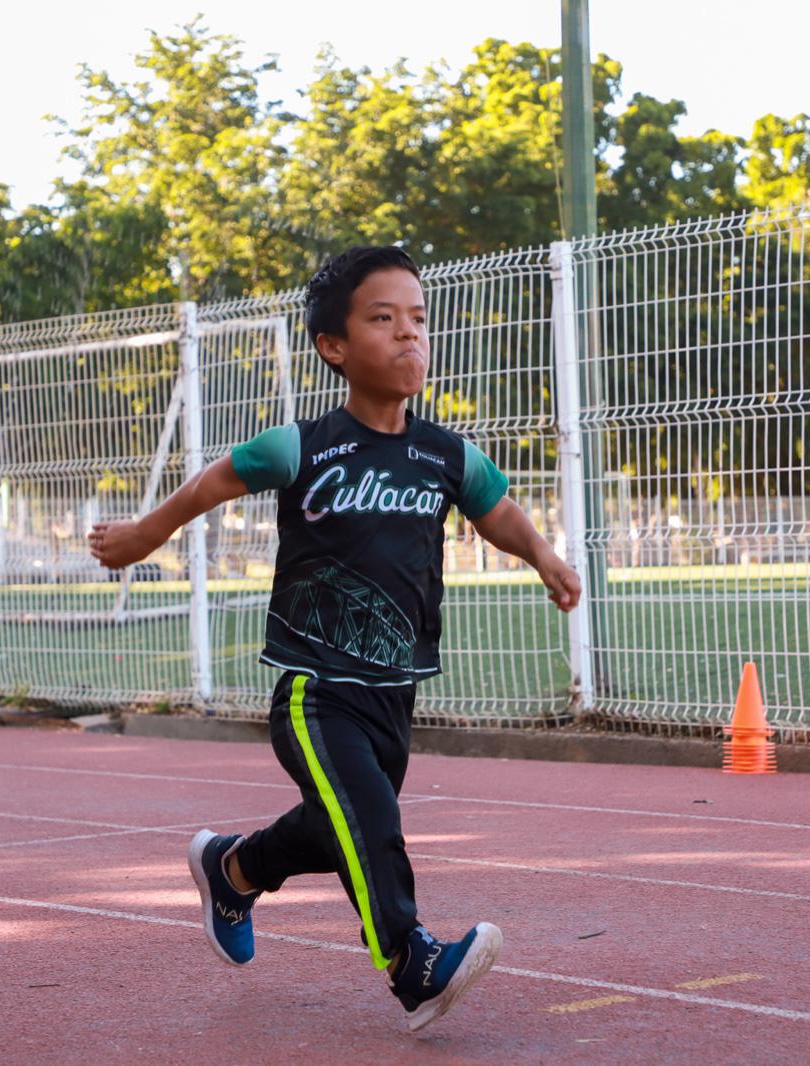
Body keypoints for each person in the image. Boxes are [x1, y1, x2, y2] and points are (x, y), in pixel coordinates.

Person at [88, 245, 582, 1032]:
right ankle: (412, 963)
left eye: (418, 319)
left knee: (340, 824)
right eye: (383, 319)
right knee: (372, 822)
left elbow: (497, 509)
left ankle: (233, 869)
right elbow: (216, 479)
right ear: (334, 346)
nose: (408, 334)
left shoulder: (445, 454)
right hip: (315, 690)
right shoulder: (304, 446)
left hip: (395, 691)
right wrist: (147, 534)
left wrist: (545, 557)